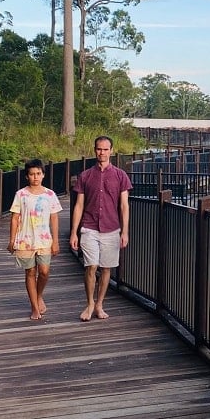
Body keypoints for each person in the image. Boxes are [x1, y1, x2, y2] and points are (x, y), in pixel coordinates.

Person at [70, 135, 132, 322]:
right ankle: (89, 303)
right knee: (91, 266)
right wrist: (74, 232)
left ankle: (99, 304)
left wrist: (125, 231)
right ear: (94, 150)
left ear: (111, 151)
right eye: (99, 149)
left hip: (112, 228)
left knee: (106, 268)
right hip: (89, 227)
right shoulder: (85, 176)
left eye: (105, 149)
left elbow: (124, 206)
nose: (102, 152)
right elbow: (79, 205)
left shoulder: (120, 175)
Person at [8, 159, 62, 320]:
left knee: (44, 271)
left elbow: (54, 218)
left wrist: (56, 241)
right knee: (30, 272)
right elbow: (15, 218)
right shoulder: (21, 195)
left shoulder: (50, 195)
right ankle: (34, 307)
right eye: (32, 174)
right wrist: (12, 241)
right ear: (27, 176)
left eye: (38, 174)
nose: (35, 177)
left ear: (43, 175)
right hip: (25, 239)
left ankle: (39, 296)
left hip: (44, 239)